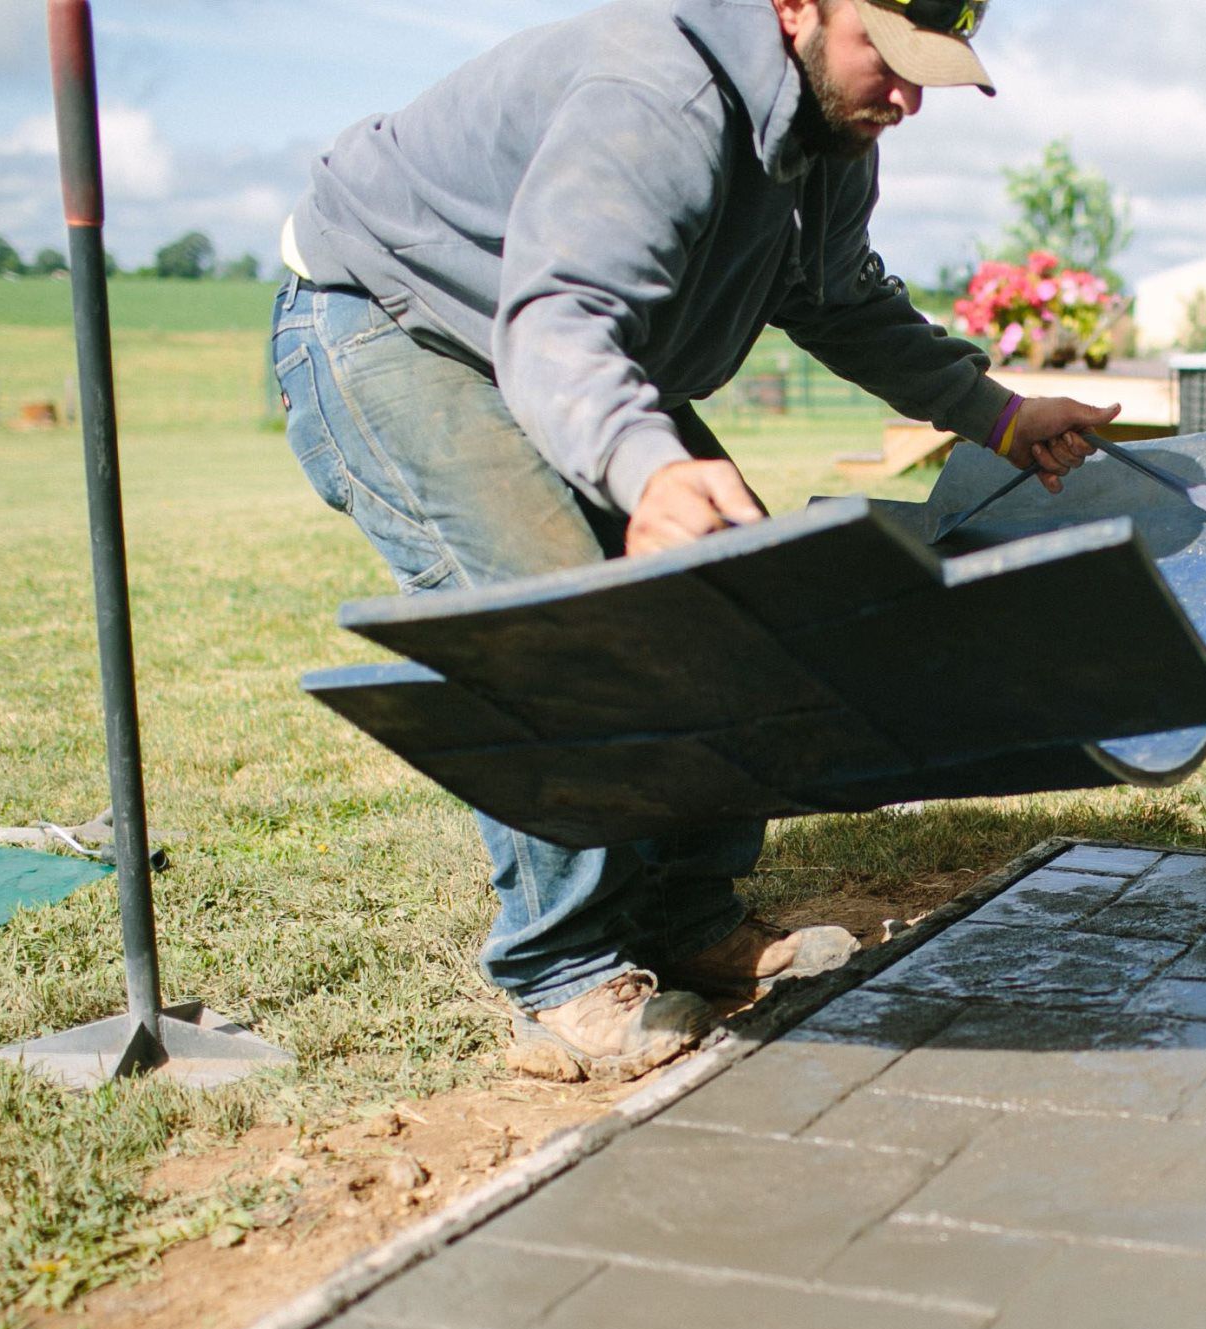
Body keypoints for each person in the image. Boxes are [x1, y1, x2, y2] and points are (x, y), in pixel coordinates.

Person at [268, 0, 1117, 1080]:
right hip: (400, 324)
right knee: (568, 620)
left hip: (560, 352)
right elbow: (555, 316)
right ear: (795, 7)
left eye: (929, 73)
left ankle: (686, 915)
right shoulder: (653, 92)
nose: (907, 98)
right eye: (892, 62)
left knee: (741, 601)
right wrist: (651, 466)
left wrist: (994, 412)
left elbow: (842, 300)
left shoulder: (829, 128)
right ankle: (564, 967)